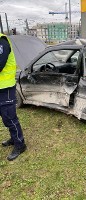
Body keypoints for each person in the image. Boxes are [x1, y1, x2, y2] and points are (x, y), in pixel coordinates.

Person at [0, 33, 26, 161]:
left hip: (6, 89)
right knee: (5, 119)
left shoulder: (2, 41)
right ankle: (14, 138)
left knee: (10, 118)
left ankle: (20, 144)